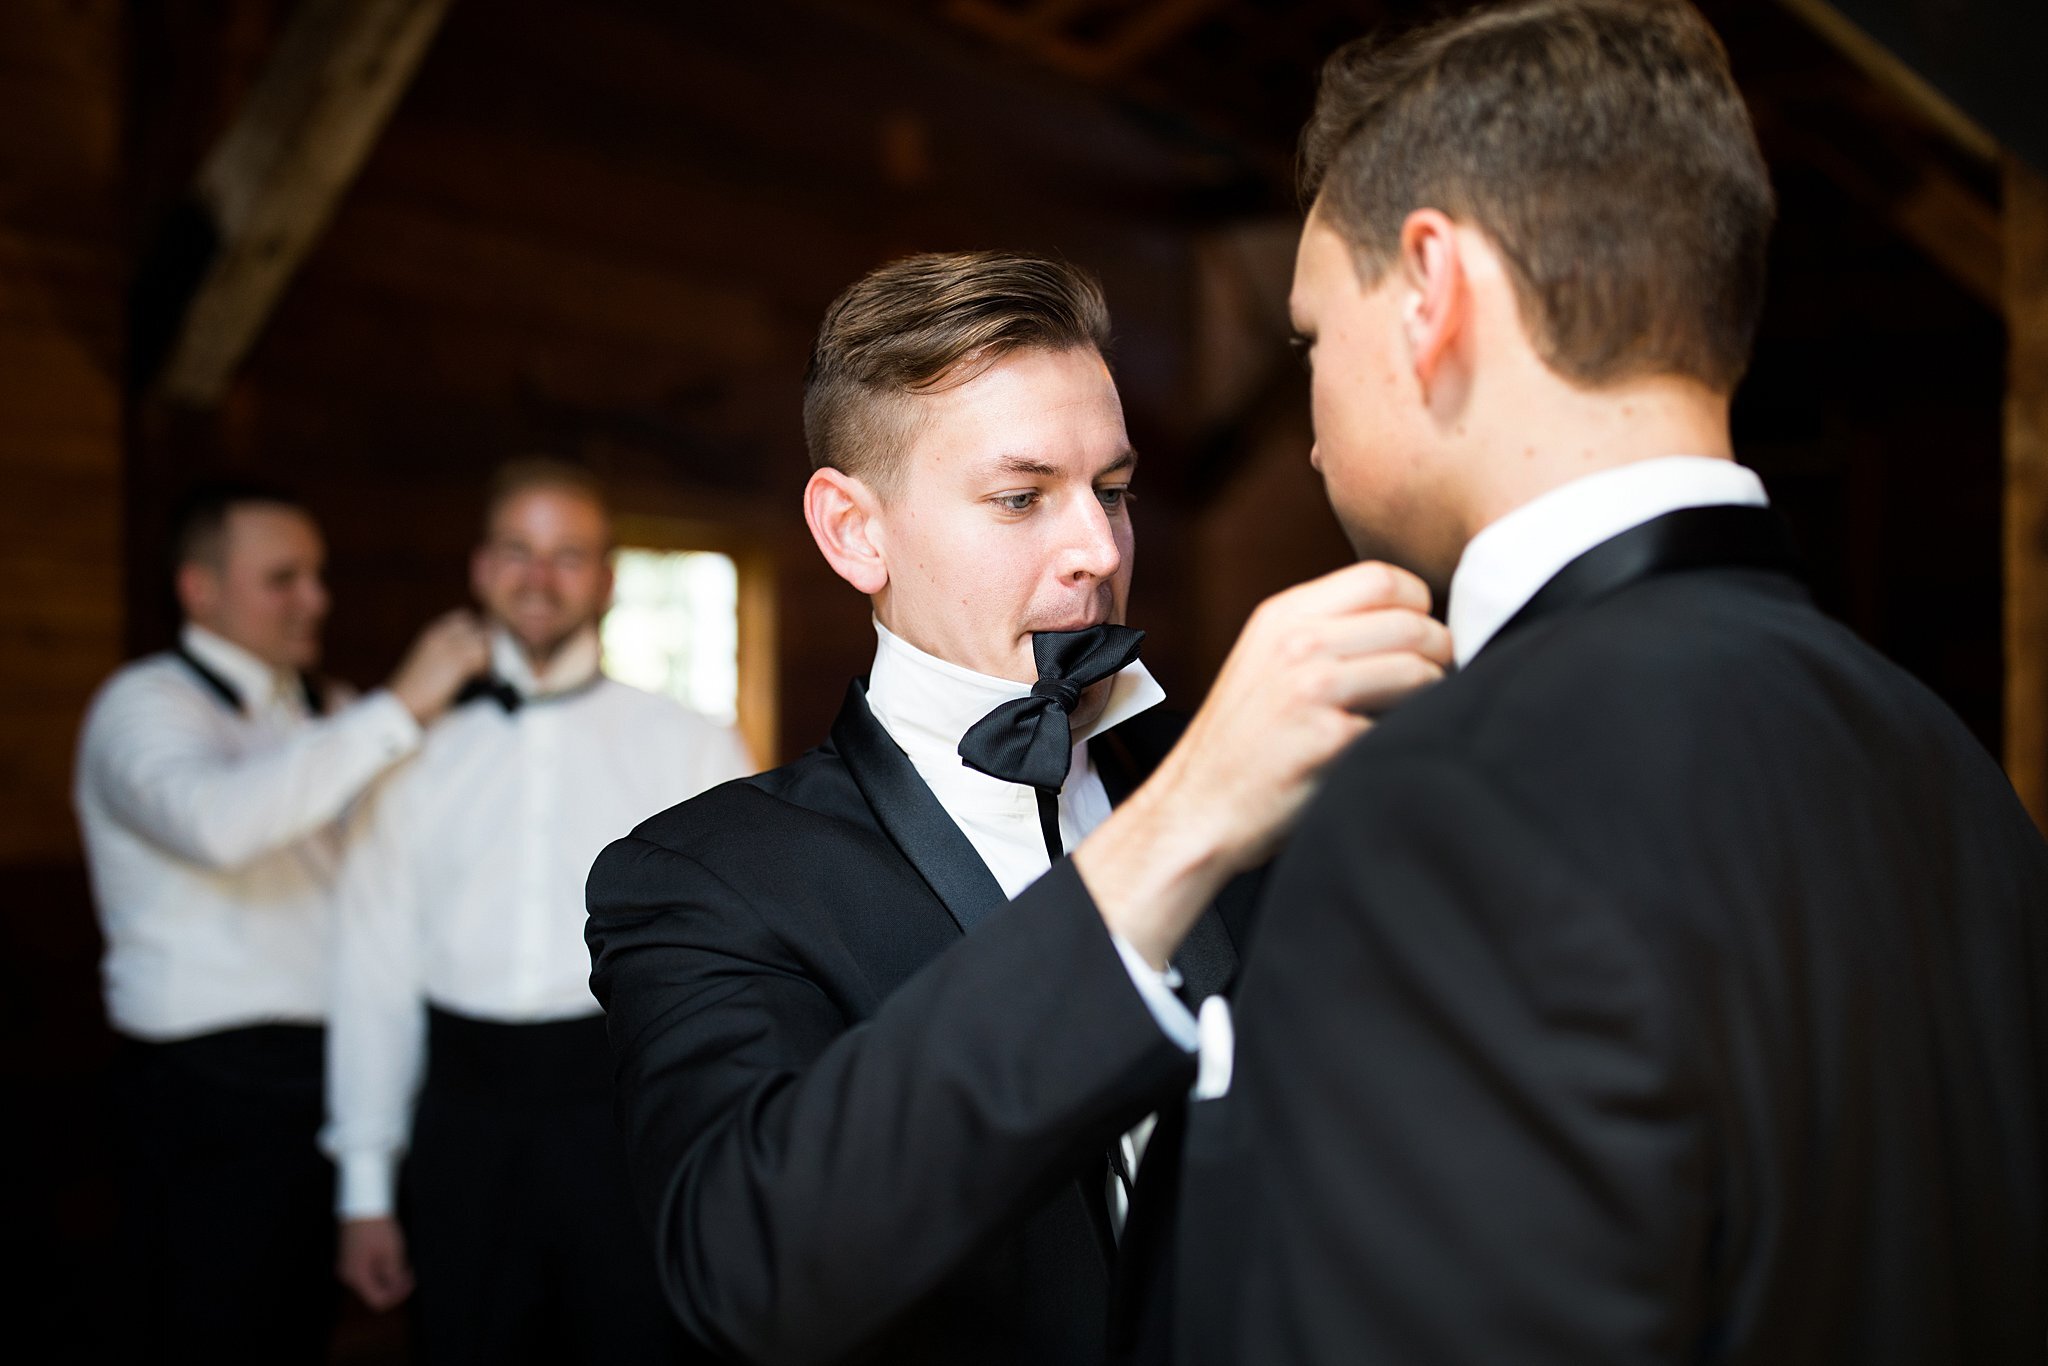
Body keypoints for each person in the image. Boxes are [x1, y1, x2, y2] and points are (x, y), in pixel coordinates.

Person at [1159, 3, 2048, 1363]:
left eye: (1311, 337)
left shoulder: (1445, 802)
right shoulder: (1951, 768)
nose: (1316, 427)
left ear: (1430, 292)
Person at [583, 250, 1451, 1365]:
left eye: (1115, 490)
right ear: (854, 531)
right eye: (1020, 496)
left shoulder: (1261, 783)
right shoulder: (701, 880)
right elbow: (752, 1266)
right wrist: (1178, 825)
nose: (1098, 550)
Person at [323, 459, 751, 1364]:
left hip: (624, 1113)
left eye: (568, 555)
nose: (540, 576)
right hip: (460, 1117)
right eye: (518, 550)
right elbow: (372, 970)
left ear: (605, 579)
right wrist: (365, 1187)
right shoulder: (411, 754)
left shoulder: (695, 746)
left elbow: (742, 972)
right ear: (481, 569)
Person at [73, 481, 488, 1364]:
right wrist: (401, 708)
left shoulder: (333, 708)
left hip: (338, 1076)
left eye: (318, 575)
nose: (316, 599)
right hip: (204, 1096)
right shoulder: (142, 708)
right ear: (200, 588)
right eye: (283, 578)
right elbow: (221, 825)